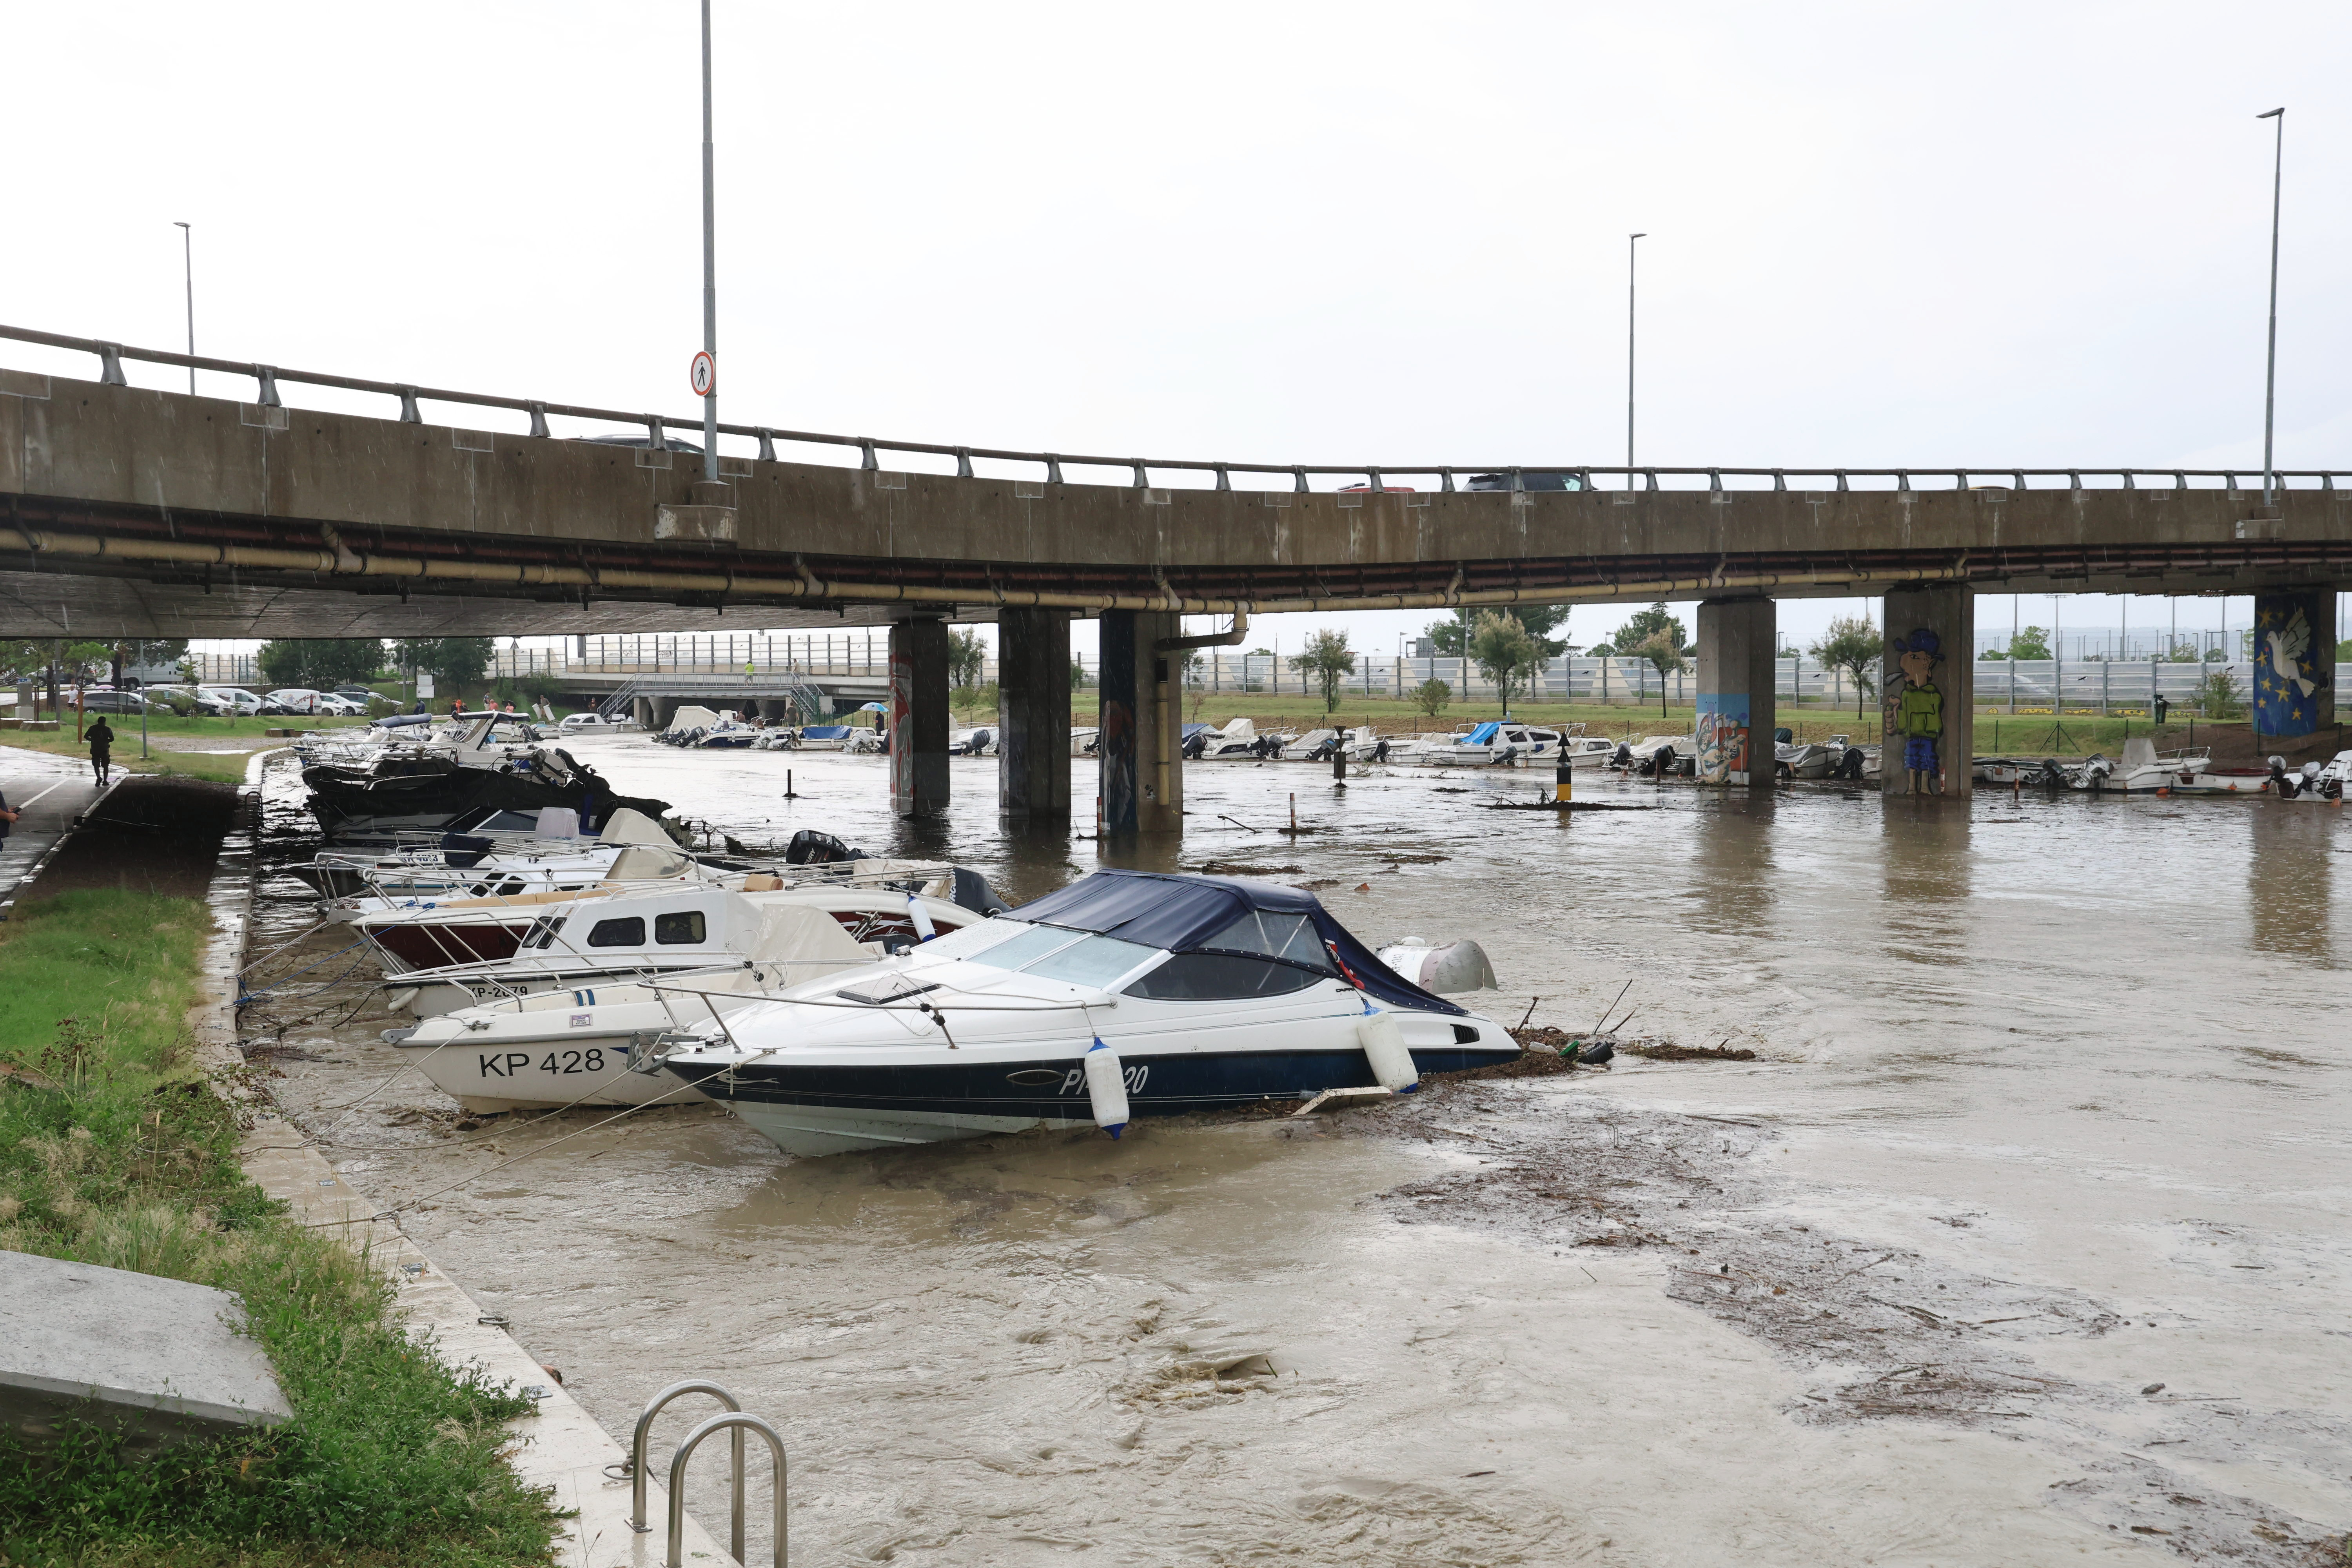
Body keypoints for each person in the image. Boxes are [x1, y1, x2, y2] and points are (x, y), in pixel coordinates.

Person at [87, 715, 116, 784]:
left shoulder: (93, 728)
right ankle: (105, 781)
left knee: (96, 765)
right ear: (105, 722)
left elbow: (86, 736)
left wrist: (92, 740)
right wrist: (106, 741)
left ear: (98, 722)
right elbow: (112, 739)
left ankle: (99, 778)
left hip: (95, 749)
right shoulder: (107, 729)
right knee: (106, 765)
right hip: (104, 749)